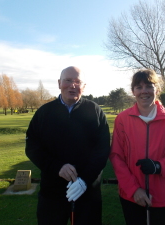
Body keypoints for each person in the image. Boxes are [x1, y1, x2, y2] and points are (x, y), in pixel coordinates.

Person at [25, 66, 111, 225]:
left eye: (78, 82)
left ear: (84, 87)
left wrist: (84, 180)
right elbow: (32, 146)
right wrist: (57, 167)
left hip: (87, 192)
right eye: (68, 80)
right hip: (52, 192)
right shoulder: (44, 112)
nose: (73, 85)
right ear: (59, 83)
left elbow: (102, 150)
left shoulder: (95, 111)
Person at [109, 69, 165, 225]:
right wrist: (133, 189)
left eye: (149, 86)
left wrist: (158, 166)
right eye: (138, 87)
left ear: (157, 89)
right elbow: (116, 157)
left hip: (162, 197)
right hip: (131, 196)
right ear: (133, 91)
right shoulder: (122, 119)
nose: (144, 91)